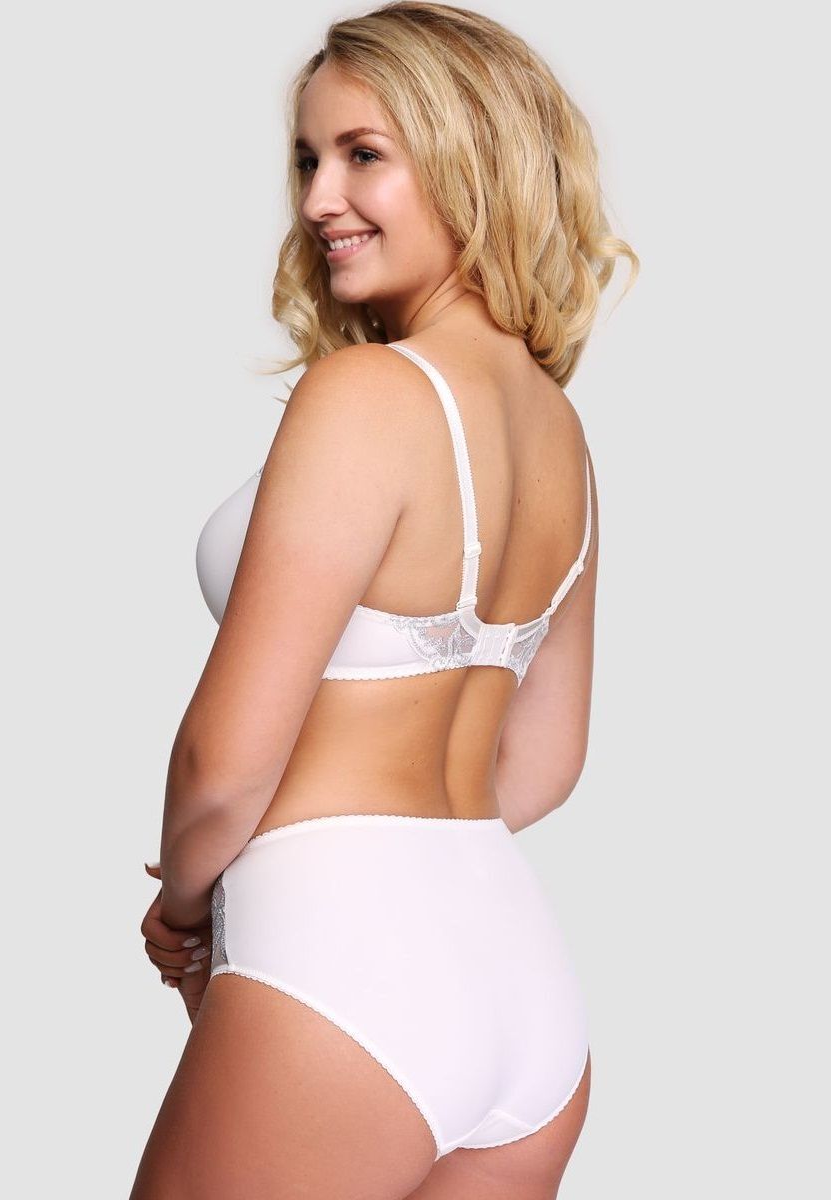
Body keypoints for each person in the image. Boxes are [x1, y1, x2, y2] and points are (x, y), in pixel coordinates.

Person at [131, 3, 638, 1197]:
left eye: (364, 155)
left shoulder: (365, 393)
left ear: (473, 158)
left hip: (339, 967)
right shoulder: (559, 434)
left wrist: (184, 908)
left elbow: (222, 762)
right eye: (309, 159)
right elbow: (545, 761)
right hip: (520, 981)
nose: (319, 200)